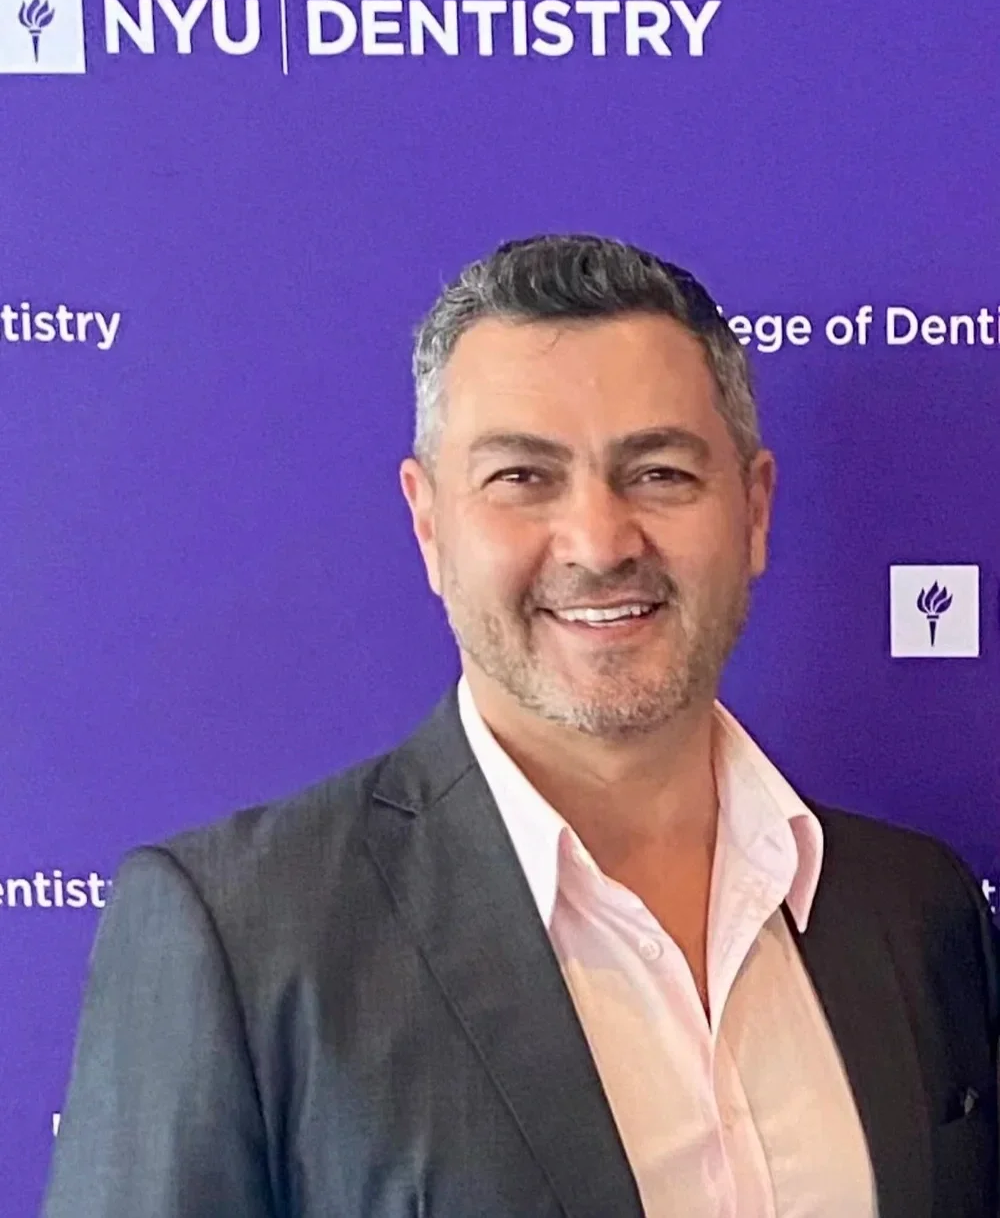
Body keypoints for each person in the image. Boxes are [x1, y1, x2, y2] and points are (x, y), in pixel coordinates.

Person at [44, 235, 998, 1218]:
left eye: (660, 472)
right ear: (430, 524)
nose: (598, 542)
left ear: (752, 511)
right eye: (523, 478)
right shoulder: (240, 936)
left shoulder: (915, 909)